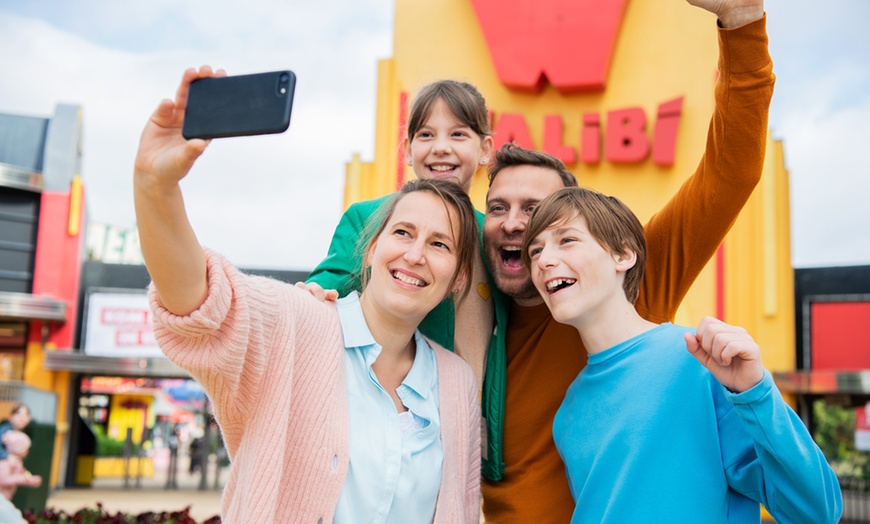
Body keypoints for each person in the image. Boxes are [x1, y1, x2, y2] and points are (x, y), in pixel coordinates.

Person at [133, 67, 481, 522]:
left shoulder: (456, 382)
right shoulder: (299, 326)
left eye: (440, 244)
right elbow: (202, 304)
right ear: (371, 249)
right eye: (403, 232)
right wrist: (154, 186)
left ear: (458, 277)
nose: (416, 254)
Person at [479, 1, 777, 521]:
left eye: (539, 213)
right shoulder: (467, 310)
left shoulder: (629, 280)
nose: (515, 224)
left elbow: (730, 174)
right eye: (498, 207)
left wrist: (742, 22)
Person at [520, 185, 843, 522]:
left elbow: (817, 510)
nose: (544, 260)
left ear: (623, 255)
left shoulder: (703, 361)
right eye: (535, 251)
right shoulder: (568, 413)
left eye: (566, 239)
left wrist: (755, 393)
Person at [306, 79, 495, 386]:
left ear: (485, 149)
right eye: (426, 135)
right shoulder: (367, 218)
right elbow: (328, 285)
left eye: (458, 134)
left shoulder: (493, 235)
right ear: (408, 150)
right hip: (391, 402)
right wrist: (312, 294)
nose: (441, 147)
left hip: (475, 417)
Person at [0, 430, 42, 524]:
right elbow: (3, 479)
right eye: (25, 448)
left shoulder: (17, 462)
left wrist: (31, 480)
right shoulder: (6, 462)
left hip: (6, 498)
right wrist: (24, 479)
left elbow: (23, 474)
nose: (27, 451)